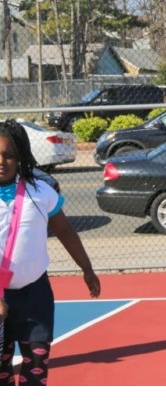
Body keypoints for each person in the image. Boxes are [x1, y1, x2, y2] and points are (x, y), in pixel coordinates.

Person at [0, 119, 100, 386]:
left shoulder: (40, 191)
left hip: (35, 294)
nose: (2, 161)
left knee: (36, 369)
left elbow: (65, 230)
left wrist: (87, 269)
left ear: (20, 157)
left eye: (9, 155)